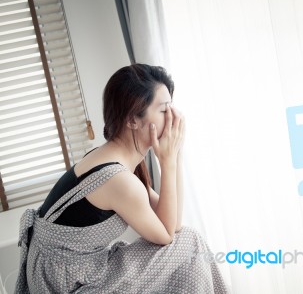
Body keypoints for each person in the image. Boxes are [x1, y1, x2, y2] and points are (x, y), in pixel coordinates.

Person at [15, 64, 230, 293]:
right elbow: (167, 235)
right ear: (132, 120)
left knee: (188, 241)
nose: (174, 118)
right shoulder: (119, 180)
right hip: (66, 281)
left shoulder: (115, 160)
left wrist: (175, 154)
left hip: (71, 268)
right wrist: (167, 162)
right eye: (164, 110)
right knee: (190, 243)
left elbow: (172, 223)